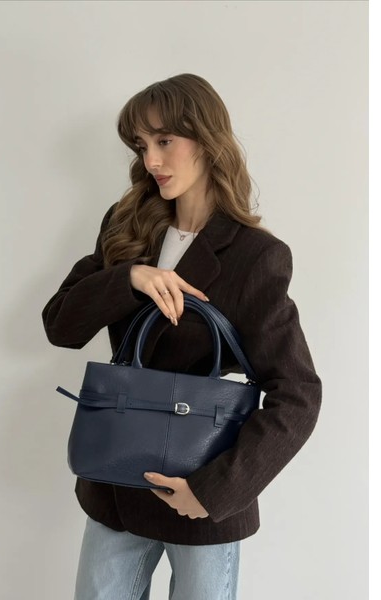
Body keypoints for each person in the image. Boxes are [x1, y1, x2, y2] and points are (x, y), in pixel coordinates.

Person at [41, 73, 322, 600]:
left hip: (202, 491)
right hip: (116, 486)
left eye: (165, 140)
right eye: (142, 145)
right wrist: (129, 278)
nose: (151, 160)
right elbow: (60, 325)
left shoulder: (255, 256)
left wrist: (214, 491)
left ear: (208, 140)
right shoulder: (127, 227)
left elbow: (298, 394)